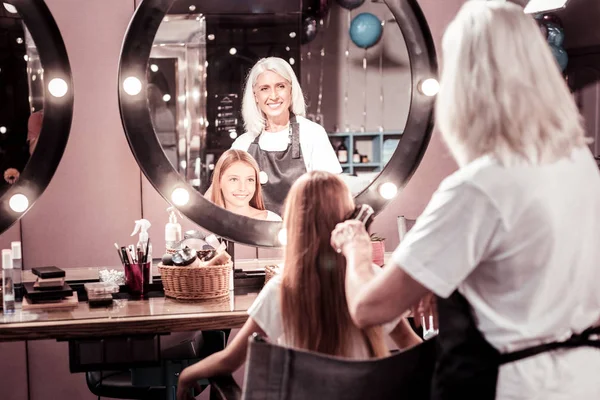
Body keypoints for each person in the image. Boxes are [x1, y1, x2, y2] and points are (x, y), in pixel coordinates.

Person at [331, 2, 600, 400]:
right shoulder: (578, 165)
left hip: (510, 387)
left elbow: (370, 308)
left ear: (465, 83)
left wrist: (355, 247)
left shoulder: (479, 186)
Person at [177, 171, 421, 399]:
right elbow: (416, 351)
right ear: (349, 218)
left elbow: (229, 360)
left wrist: (187, 375)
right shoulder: (373, 283)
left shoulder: (282, 291)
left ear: (294, 226)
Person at [229, 57, 342, 214]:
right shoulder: (242, 144)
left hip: (303, 233)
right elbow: (223, 195)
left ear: (291, 90)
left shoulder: (312, 134)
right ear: (255, 96)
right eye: (264, 89)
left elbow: (333, 195)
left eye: (280, 86)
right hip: (253, 234)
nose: (273, 96)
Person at [210, 149, 281, 221]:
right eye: (234, 179)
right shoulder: (206, 223)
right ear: (219, 181)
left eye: (250, 180)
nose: (242, 188)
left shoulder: (272, 221)